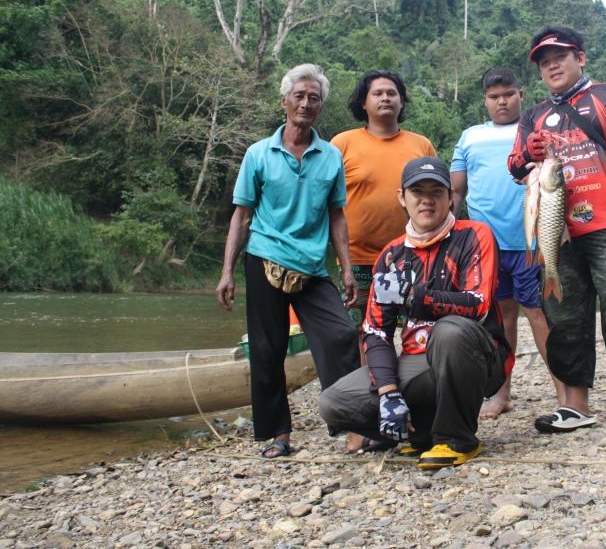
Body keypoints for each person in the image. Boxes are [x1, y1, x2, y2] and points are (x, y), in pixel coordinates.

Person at [507, 26, 606, 434]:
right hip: (558, 229)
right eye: (544, 63)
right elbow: (515, 167)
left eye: (559, 56)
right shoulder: (533, 117)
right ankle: (575, 405)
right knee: (564, 315)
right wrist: (529, 153)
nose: (552, 66)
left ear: (580, 58)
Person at [319, 156, 511, 469]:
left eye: (436, 192)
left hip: (475, 356)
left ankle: (458, 439)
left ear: (451, 198)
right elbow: (376, 330)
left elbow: (477, 304)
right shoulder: (392, 255)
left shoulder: (475, 235)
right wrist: (388, 392)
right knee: (334, 403)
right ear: (402, 198)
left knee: (449, 331)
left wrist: (415, 296)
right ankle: (421, 433)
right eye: (417, 191)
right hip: (417, 363)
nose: (426, 200)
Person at [216, 64, 361, 459]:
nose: (306, 103)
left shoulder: (330, 157)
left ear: (321, 106)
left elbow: (336, 216)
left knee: (341, 336)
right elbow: (241, 215)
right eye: (299, 95)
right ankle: (277, 434)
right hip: (263, 259)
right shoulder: (258, 154)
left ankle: (352, 425)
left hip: (313, 266)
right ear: (284, 102)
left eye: (314, 98)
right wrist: (227, 271)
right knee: (267, 349)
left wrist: (346, 267)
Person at [451, 68, 565, 419]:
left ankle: (565, 395)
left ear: (521, 94)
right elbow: (456, 191)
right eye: (494, 96)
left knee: (538, 315)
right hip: (485, 247)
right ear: (485, 100)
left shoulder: (537, 132)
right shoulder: (469, 137)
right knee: (502, 320)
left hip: (532, 243)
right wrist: (449, 240)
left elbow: (560, 184)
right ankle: (501, 394)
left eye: (508, 94)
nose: (501, 101)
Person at [330, 71, 436, 333]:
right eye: (377, 93)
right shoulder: (342, 144)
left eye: (392, 93)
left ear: (401, 102)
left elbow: (438, 198)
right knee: (360, 330)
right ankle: (370, 375)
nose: (385, 98)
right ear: (363, 103)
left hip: (407, 256)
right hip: (356, 260)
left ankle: (406, 374)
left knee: (410, 327)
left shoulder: (421, 145)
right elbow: (324, 202)